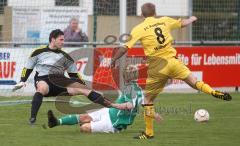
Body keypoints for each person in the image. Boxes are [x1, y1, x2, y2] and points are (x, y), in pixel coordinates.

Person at [110, 3, 232, 139]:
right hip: (173, 61)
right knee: (194, 81)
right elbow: (182, 23)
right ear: (155, 12)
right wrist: (191, 19)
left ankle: (149, 133)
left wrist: (114, 59)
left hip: (158, 66)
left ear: (142, 14)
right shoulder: (164, 20)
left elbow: (124, 48)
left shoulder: (139, 28)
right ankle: (213, 92)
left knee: (148, 99)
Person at [13, 29, 128, 124]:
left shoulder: (66, 56)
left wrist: (83, 85)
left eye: (64, 40)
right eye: (61, 39)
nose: (63, 42)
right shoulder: (38, 52)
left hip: (60, 82)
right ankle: (33, 118)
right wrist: (22, 80)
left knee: (84, 89)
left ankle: (113, 106)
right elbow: (28, 68)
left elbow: (74, 75)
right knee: (41, 88)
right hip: (44, 80)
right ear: (53, 39)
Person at [47, 65, 161, 133]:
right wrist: (154, 115)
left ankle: (94, 126)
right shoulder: (137, 89)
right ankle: (55, 122)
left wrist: (113, 105)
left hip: (113, 123)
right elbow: (144, 104)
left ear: (124, 76)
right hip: (109, 112)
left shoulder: (131, 89)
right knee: (84, 117)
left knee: (84, 128)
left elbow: (129, 106)